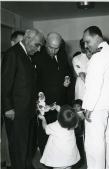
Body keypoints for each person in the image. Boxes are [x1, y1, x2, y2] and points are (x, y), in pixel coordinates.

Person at [2, 29, 44, 169]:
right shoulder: (13, 53)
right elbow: (5, 83)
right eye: (36, 45)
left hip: (28, 111)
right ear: (27, 38)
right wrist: (8, 108)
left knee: (27, 146)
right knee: (19, 149)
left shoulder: (26, 55)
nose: (38, 49)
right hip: (16, 112)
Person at [82, 26, 109, 169]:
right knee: (108, 139)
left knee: (94, 145)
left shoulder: (98, 57)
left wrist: (88, 107)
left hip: (97, 105)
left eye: (87, 41)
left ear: (97, 37)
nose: (86, 45)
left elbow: (93, 85)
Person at [33, 32, 71, 155]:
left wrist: (67, 78)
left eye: (57, 48)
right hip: (45, 102)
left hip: (60, 101)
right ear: (45, 44)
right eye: (51, 47)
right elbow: (34, 81)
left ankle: (60, 157)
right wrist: (40, 103)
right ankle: (47, 160)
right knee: (45, 132)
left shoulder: (62, 53)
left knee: (61, 132)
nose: (54, 51)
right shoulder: (37, 56)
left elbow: (67, 70)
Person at [1, 30, 25, 169]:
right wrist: (8, 107)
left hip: (12, 105)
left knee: (10, 137)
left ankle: (9, 162)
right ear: (12, 42)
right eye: (19, 42)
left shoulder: (22, 57)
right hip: (7, 104)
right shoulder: (9, 56)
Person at [39, 105, 80, 169]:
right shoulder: (72, 125)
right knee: (68, 167)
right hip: (70, 157)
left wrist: (43, 119)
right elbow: (67, 116)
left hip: (58, 159)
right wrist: (59, 109)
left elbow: (45, 128)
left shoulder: (54, 126)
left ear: (59, 117)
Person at [72, 99, 85, 166]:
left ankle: (81, 162)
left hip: (79, 135)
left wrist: (81, 116)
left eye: (78, 106)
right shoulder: (72, 114)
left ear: (81, 107)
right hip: (73, 135)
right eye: (75, 106)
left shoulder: (83, 114)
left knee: (80, 149)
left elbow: (84, 121)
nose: (76, 108)